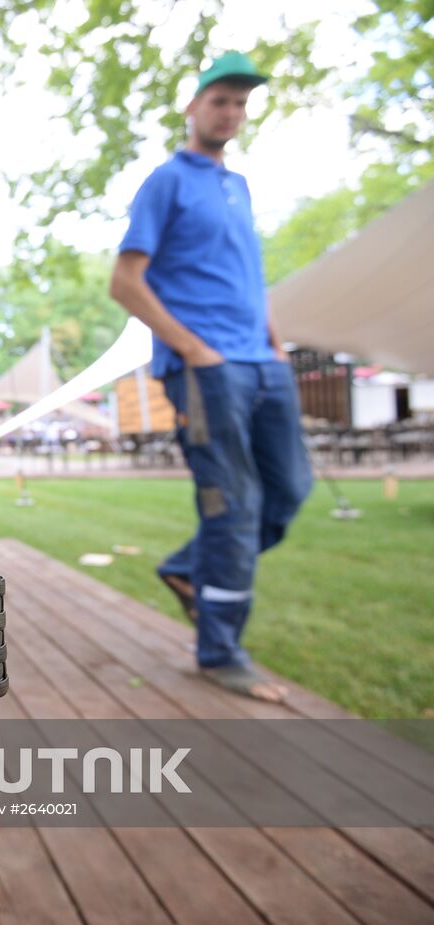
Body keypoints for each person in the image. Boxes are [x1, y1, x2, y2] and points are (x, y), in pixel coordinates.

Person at [109, 52, 313, 703]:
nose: (231, 112)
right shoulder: (167, 181)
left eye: (240, 103)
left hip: (263, 362)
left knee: (289, 490)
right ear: (193, 107)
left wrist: (276, 343)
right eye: (220, 99)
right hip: (207, 370)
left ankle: (187, 570)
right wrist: (193, 349)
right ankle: (220, 650)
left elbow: (244, 277)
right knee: (233, 501)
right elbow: (125, 282)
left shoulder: (239, 186)